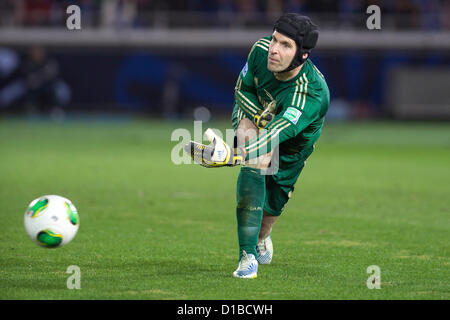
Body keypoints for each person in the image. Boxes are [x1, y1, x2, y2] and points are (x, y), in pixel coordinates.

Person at [186, 13, 330, 279]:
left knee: (270, 211)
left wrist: (231, 155)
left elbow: (275, 133)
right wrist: (257, 118)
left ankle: (262, 236)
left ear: (303, 56)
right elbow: (242, 89)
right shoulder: (261, 50)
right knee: (258, 160)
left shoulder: (311, 94)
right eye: (275, 39)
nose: (274, 49)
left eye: (285, 45)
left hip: (292, 147)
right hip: (254, 115)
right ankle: (246, 256)